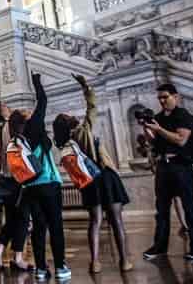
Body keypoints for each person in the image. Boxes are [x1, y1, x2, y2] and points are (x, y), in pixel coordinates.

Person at [52, 74, 133, 273]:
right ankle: (124, 261)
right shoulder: (84, 129)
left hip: (88, 182)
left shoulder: (63, 143)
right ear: (70, 122)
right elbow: (93, 106)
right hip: (105, 176)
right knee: (116, 221)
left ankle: (95, 262)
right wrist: (85, 87)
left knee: (95, 222)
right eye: (68, 115)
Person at [9, 73, 71, 281]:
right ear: (25, 119)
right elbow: (43, 100)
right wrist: (35, 81)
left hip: (30, 187)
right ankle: (61, 267)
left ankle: (42, 269)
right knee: (55, 226)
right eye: (25, 112)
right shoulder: (34, 126)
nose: (29, 111)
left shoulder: (16, 138)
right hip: (48, 184)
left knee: (38, 227)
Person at [142, 84, 193, 261]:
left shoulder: (183, 115)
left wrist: (159, 130)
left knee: (189, 207)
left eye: (165, 97)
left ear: (175, 97)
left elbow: (181, 140)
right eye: (160, 98)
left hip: (180, 165)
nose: (162, 101)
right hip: (163, 166)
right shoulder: (158, 118)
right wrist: (146, 129)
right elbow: (155, 142)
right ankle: (160, 247)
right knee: (161, 210)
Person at [0, 101, 32, 271]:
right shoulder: (10, 125)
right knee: (22, 218)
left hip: (4, 180)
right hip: (18, 179)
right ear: (1, 111)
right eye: (5, 105)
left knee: (12, 219)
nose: (8, 106)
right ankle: (17, 258)